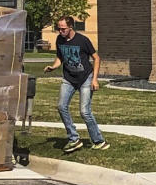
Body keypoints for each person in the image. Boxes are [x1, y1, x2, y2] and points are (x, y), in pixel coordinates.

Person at [44, 16, 108, 152]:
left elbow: (96, 58)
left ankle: (98, 141)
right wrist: (53, 67)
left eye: (63, 29)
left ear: (70, 27)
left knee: (85, 112)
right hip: (69, 78)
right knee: (61, 106)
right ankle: (74, 138)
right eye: (58, 29)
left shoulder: (82, 40)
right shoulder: (59, 39)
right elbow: (60, 57)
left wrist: (95, 79)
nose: (60, 31)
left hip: (85, 78)